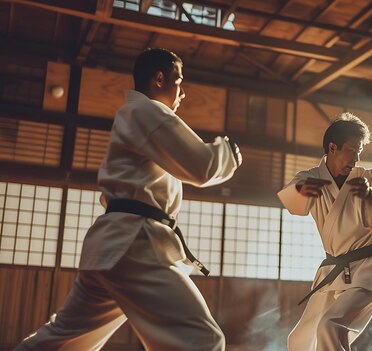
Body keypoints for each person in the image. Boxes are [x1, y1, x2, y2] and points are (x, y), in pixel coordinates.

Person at [14, 48, 242, 351]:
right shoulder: (147, 111)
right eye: (179, 81)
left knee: (64, 340)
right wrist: (228, 153)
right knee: (200, 339)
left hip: (112, 246)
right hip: (134, 244)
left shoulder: (136, 115)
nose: (182, 93)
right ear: (160, 78)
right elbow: (202, 167)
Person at [277, 112, 372, 351]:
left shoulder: (369, 179)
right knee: (300, 340)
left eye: (359, 152)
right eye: (351, 150)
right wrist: (302, 191)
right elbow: (292, 199)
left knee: (330, 326)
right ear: (332, 148)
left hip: (367, 270)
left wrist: (370, 195)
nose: (356, 159)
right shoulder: (311, 178)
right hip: (333, 271)